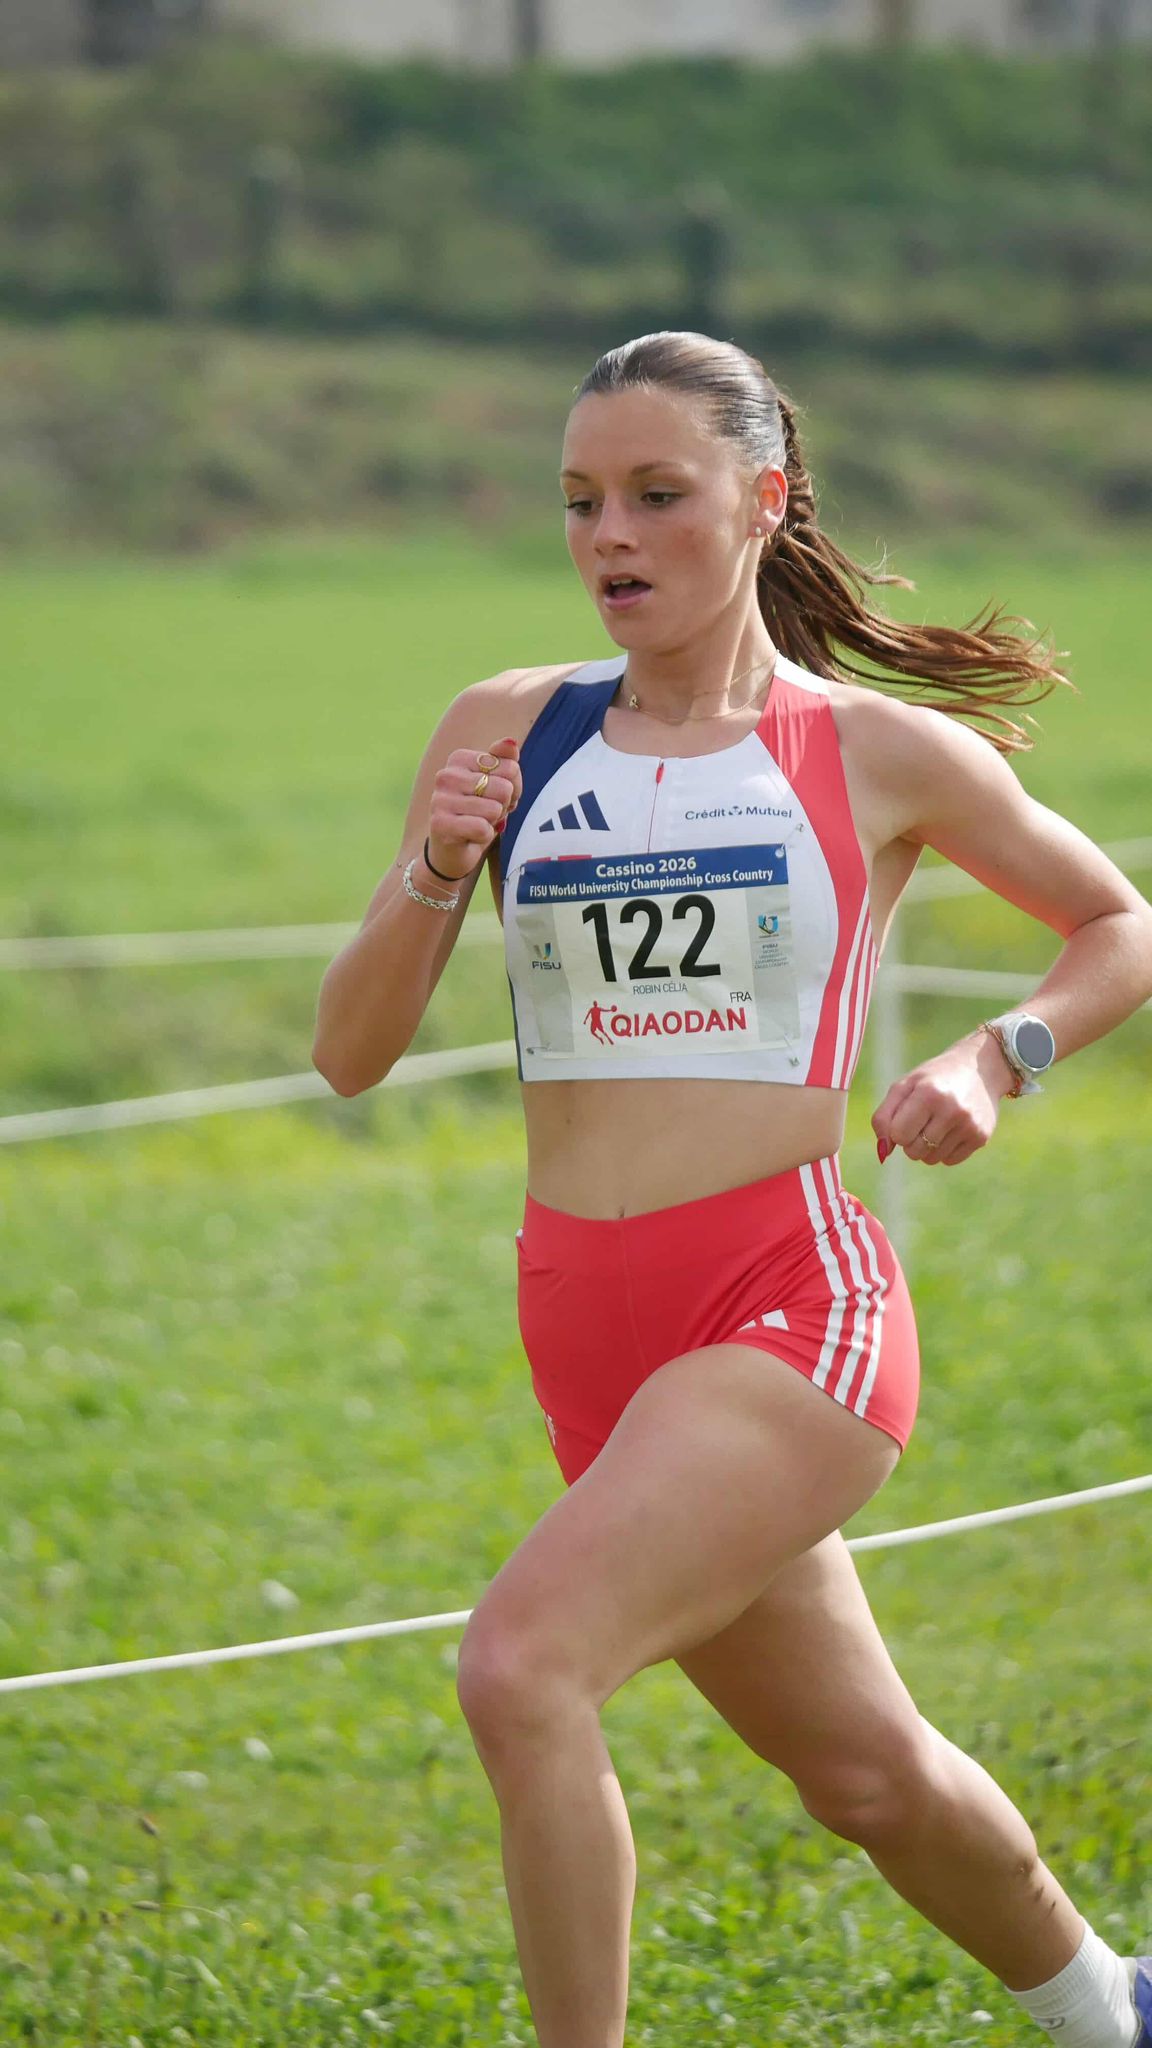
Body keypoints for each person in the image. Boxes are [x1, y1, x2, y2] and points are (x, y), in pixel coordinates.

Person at [312, 331, 1152, 2048]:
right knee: (867, 1775)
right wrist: (439, 865)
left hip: (790, 1306)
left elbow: (1118, 926)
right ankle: (1115, 2013)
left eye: (655, 495)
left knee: (522, 1668)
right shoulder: (509, 730)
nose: (610, 536)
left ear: (764, 501)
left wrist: (995, 1063)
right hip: (583, 1325)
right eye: (579, 503)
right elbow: (348, 1055)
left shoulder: (873, 750)